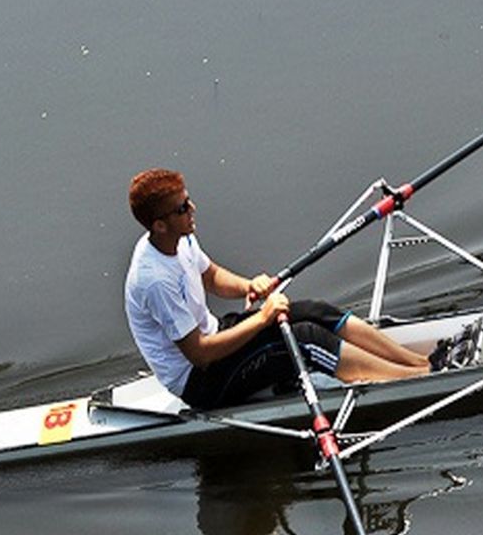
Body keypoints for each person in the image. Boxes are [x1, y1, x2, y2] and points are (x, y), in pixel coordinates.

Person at [124, 168, 430, 409]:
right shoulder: (154, 280)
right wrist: (261, 319)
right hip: (199, 381)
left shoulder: (180, 237)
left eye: (188, 200)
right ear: (159, 225)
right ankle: (419, 381)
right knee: (304, 339)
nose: (193, 208)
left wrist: (250, 285)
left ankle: (419, 363)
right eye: (182, 208)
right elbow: (200, 355)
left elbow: (210, 275)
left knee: (314, 311)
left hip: (215, 336)